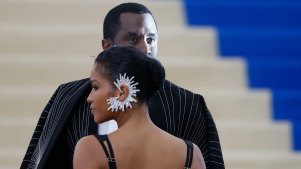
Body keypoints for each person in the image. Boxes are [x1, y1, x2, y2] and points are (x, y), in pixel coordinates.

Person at [21, 2, 224, 169]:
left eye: (151, 39)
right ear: (107, 46)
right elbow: (41, 159)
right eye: (133, 39)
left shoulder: (187, 103)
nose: (146, 48)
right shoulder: (68, 96)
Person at [73, 46, 206, 169]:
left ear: (122, 92)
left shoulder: (92, 149)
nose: (89, 98)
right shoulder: (191, 154)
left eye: (95, 87)